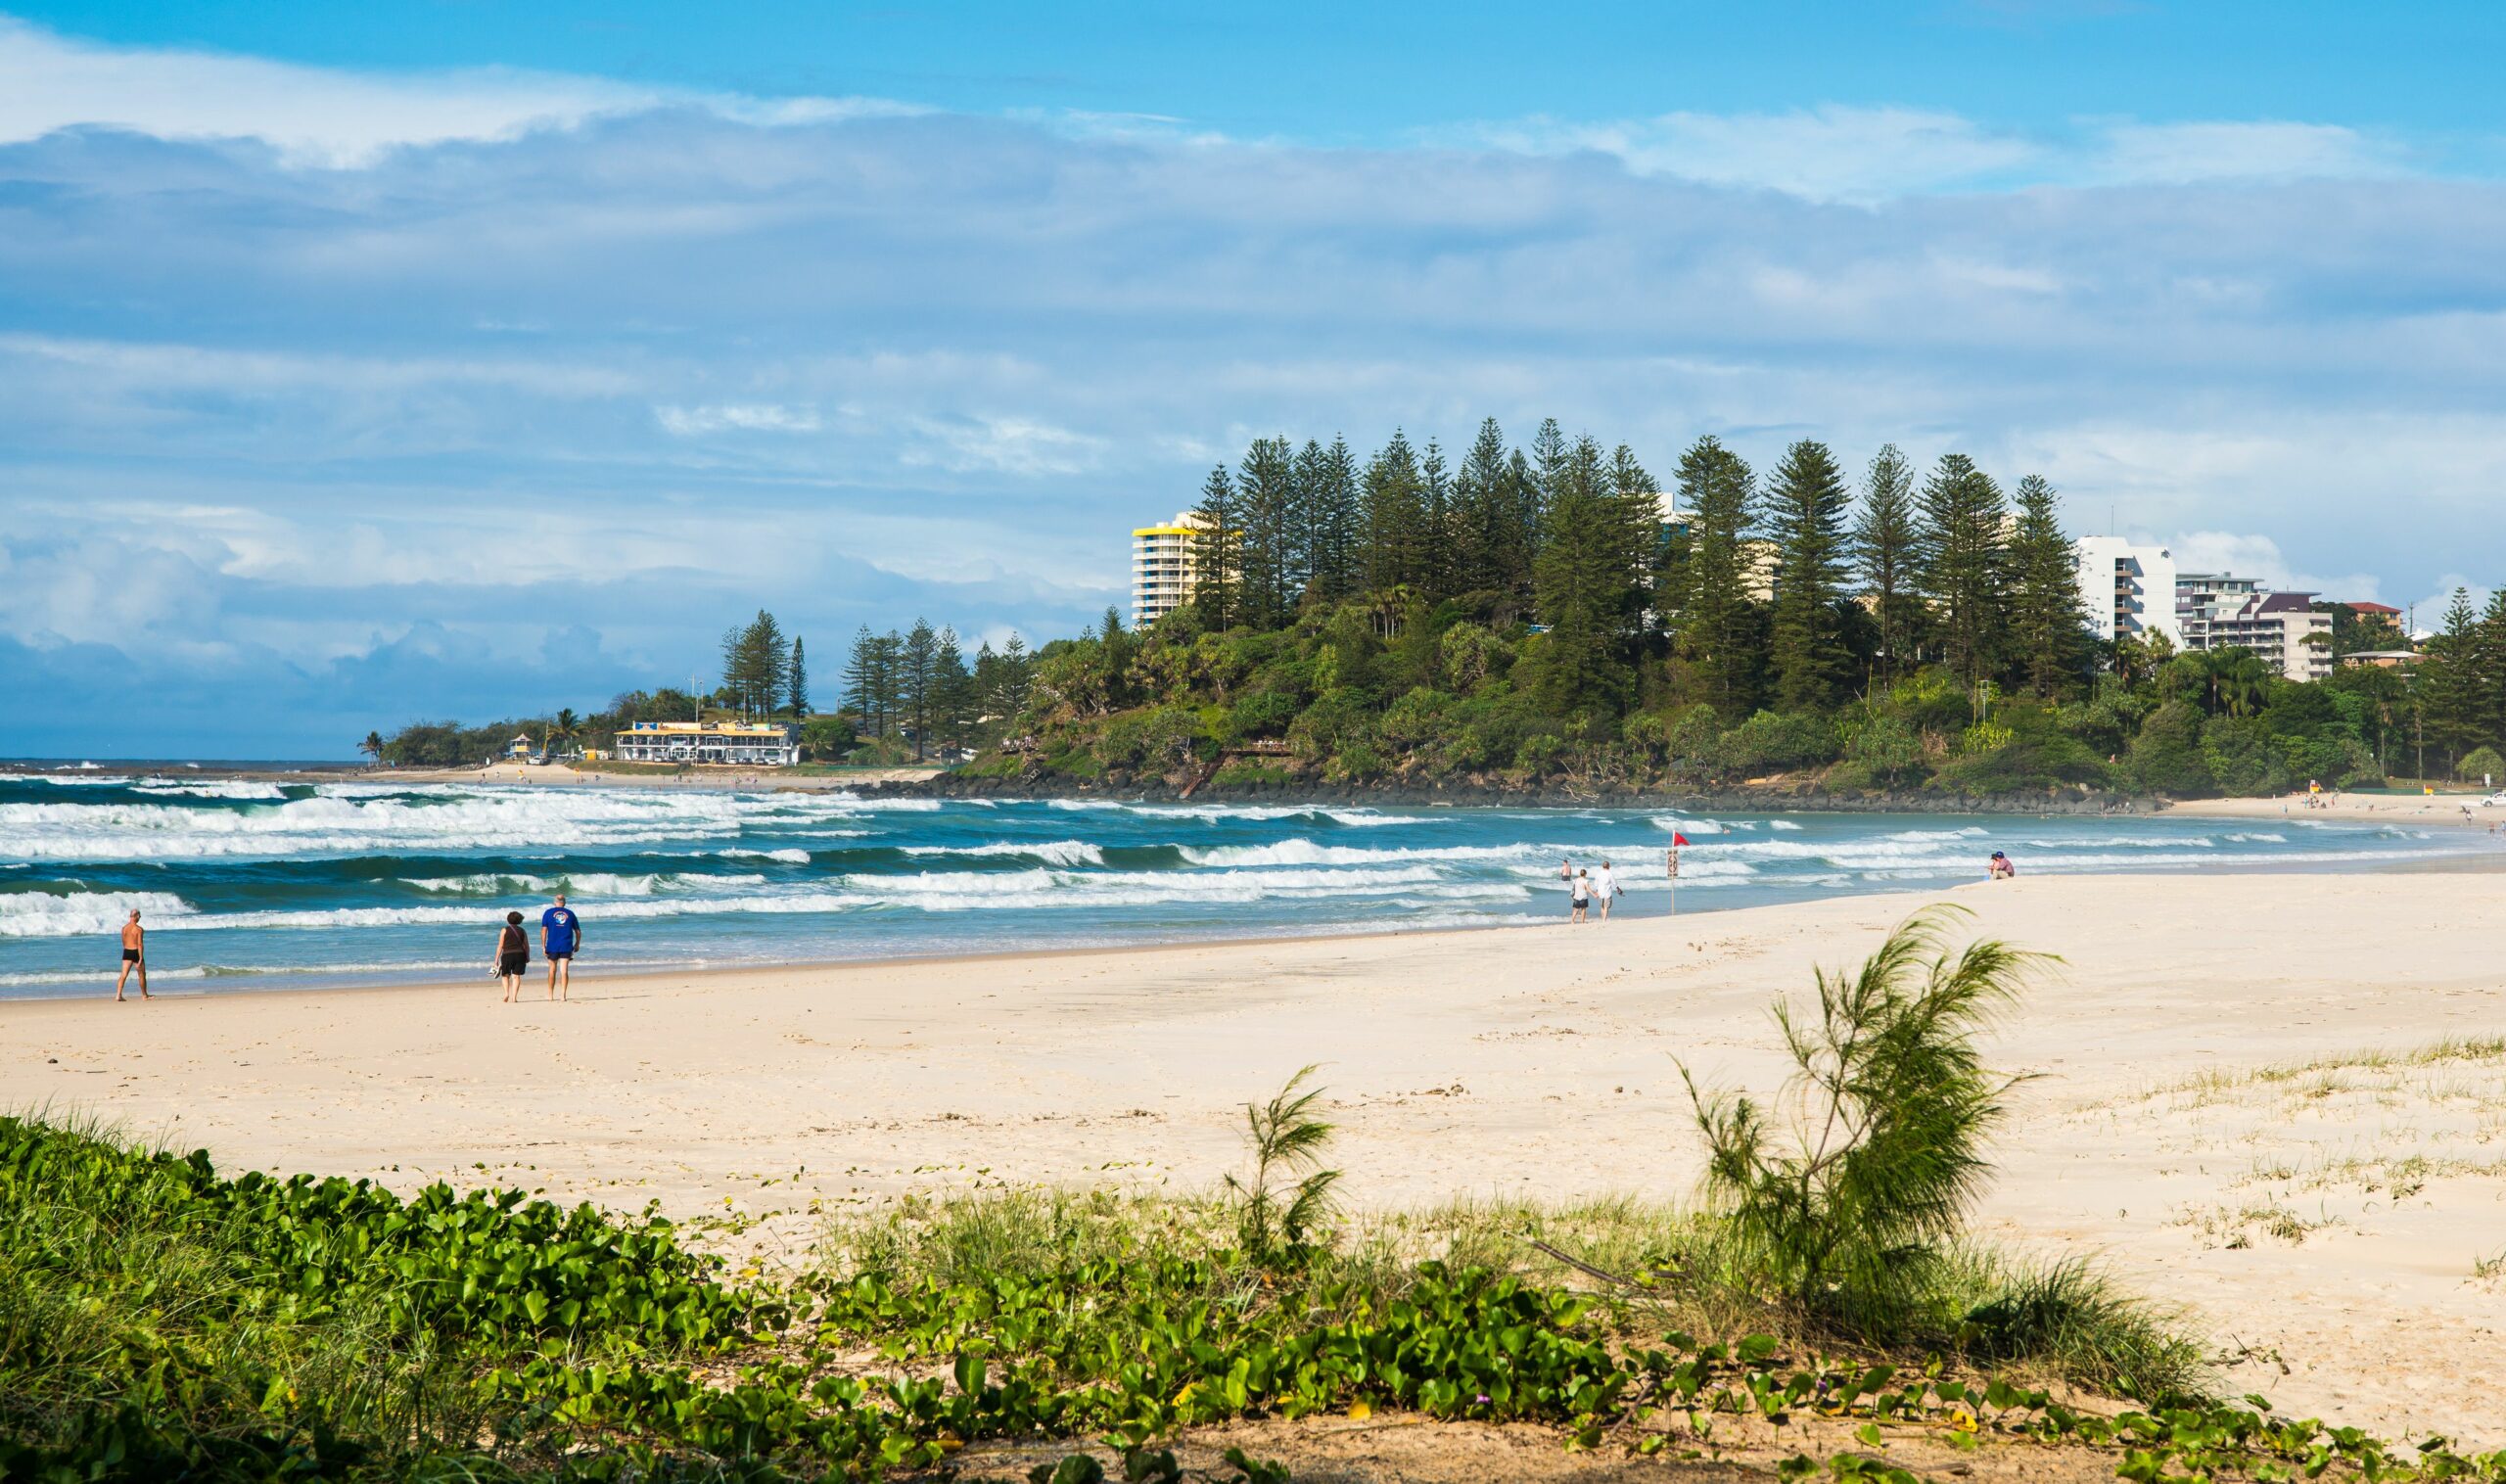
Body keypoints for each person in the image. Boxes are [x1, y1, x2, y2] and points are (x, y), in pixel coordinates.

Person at [540, 893, 582, 1000]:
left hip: (552, 945)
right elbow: (577, 931)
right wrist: (577, 944)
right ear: (564, 903)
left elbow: (544, 930)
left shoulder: (548, 913)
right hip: (566, 945)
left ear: (555, 902)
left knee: (552, 970)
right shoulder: (570, 914)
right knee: (564, 971)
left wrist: (543, 946)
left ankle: (550, 995)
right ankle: (563, 996)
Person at [115, 908, 150, 1001]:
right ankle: (144, 995)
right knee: (141, 974)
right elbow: (140, 944)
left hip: (126, 951)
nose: (140, 918)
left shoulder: (124, 928)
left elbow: (123, 941)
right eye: (139, 916)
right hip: (136, 952)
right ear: (136, 916)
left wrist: (127, 948)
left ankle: (118, 995)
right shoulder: (139, 929)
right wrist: (141, 957)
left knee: (124, 974)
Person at [493, 909, 530, 1002]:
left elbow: (500, 945)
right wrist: (528, 956)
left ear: (508, 920)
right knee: (516, 976)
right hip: (520, 954)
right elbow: (526, 945)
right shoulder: (522, 930)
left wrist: (496, 960)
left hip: (507, 955)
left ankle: (506, 994)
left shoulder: (504, 930)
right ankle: (514, 998)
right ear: (519, 921)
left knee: (505, 975)